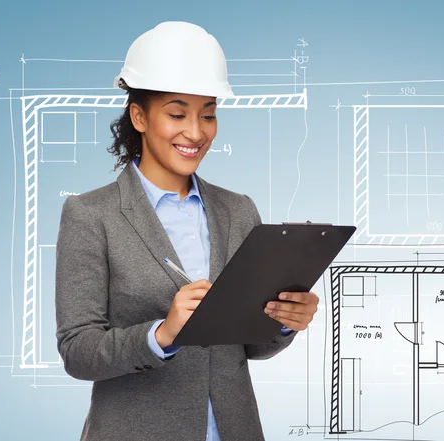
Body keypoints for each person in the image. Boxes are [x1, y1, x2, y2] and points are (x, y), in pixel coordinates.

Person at [55, 21, 319, 441]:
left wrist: (284, 322)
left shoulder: (238, 210)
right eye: (177, 114)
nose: (196, 132)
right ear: (138, 116)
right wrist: (161, 334)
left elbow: (250, 347)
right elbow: (78, 352)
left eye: (208, 115)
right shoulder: (91, 215)